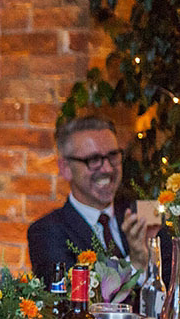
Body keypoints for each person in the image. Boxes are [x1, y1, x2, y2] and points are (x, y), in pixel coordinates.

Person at [27, 115, 166, 283]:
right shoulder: (46, 231)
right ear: (66, 168)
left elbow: (179, 290)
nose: (107, 168)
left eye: (113, 156)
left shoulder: (144, 212)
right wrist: (135, 263)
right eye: (93, 160)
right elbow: (68, 301)